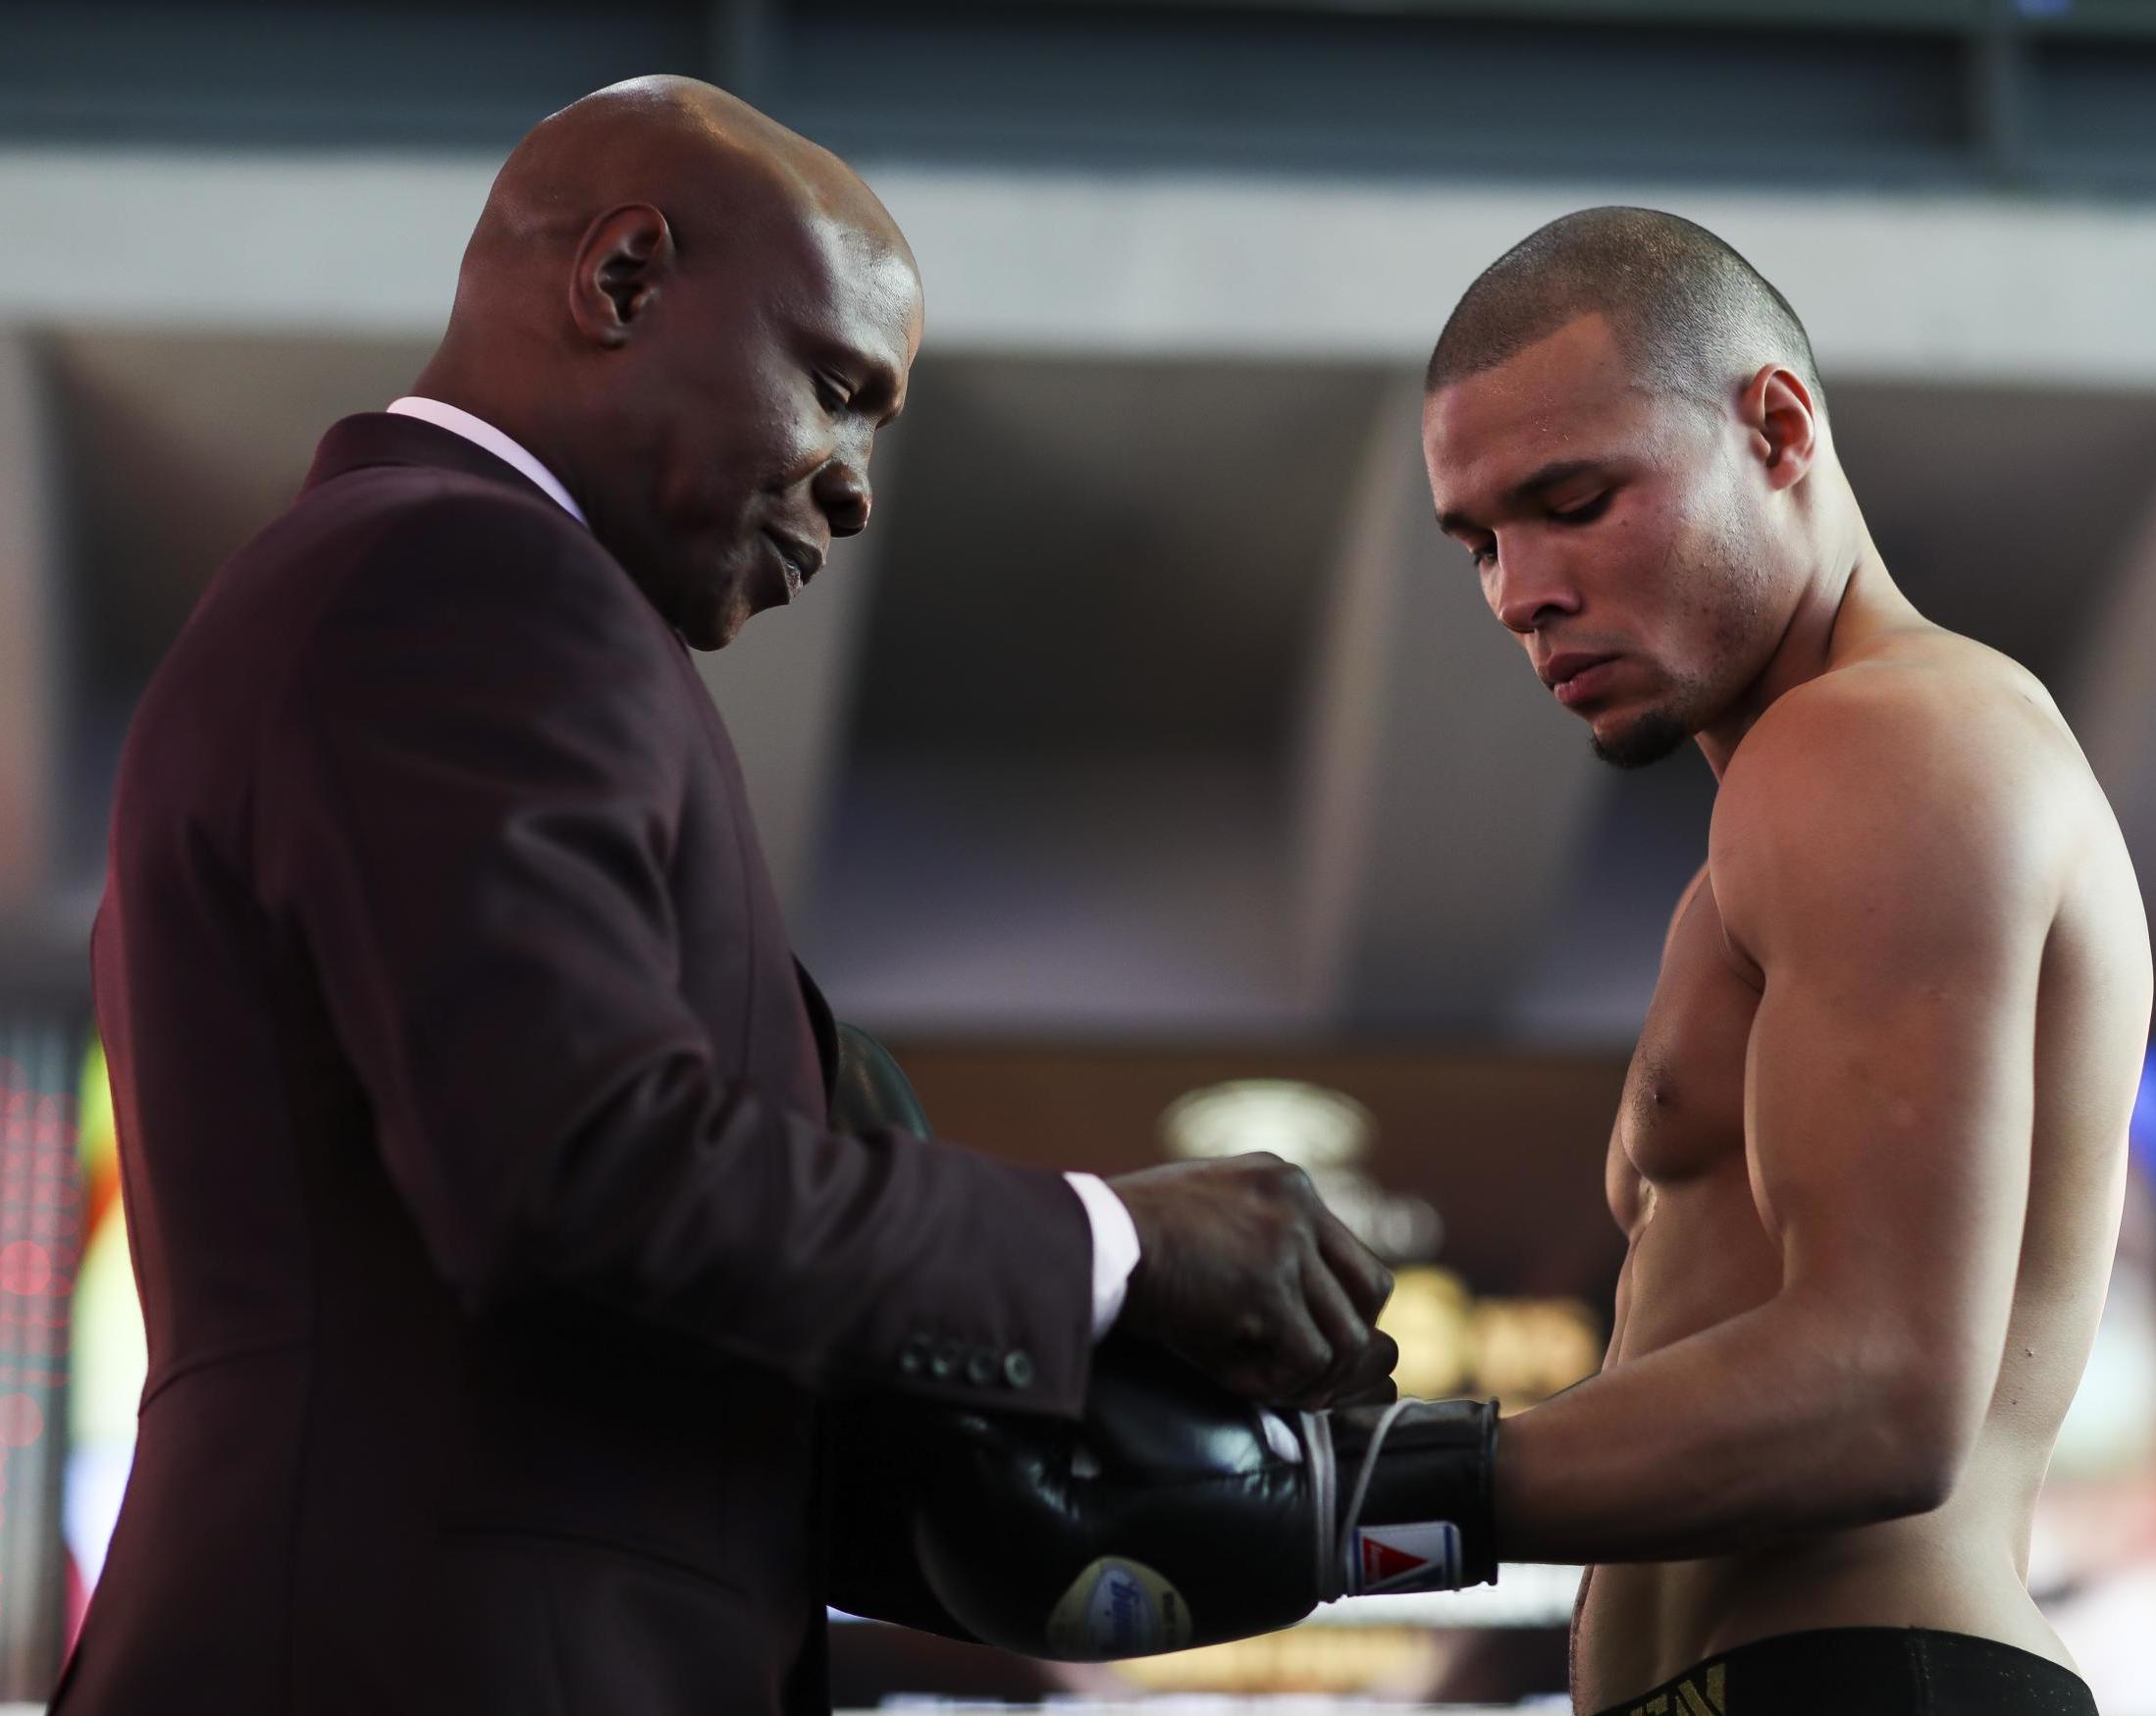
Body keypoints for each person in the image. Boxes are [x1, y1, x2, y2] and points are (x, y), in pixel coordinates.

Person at [62, 77, 1393, 1716]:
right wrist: (1113, 1240)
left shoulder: (432, 589)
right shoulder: (460, 579)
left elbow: (638, 1340)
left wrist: (1333, 1467)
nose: (852, 487)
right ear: (622, 281)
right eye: (838, 390)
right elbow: (581, 1165)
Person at [1420, 208, 2153, 1714]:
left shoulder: (1881, 739)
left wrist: (1346, 1491)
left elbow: (1882, 1390)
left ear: (1776, 425)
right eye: (1483, 538)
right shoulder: (1801, 807)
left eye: (1573, 499)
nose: (1517, 590)